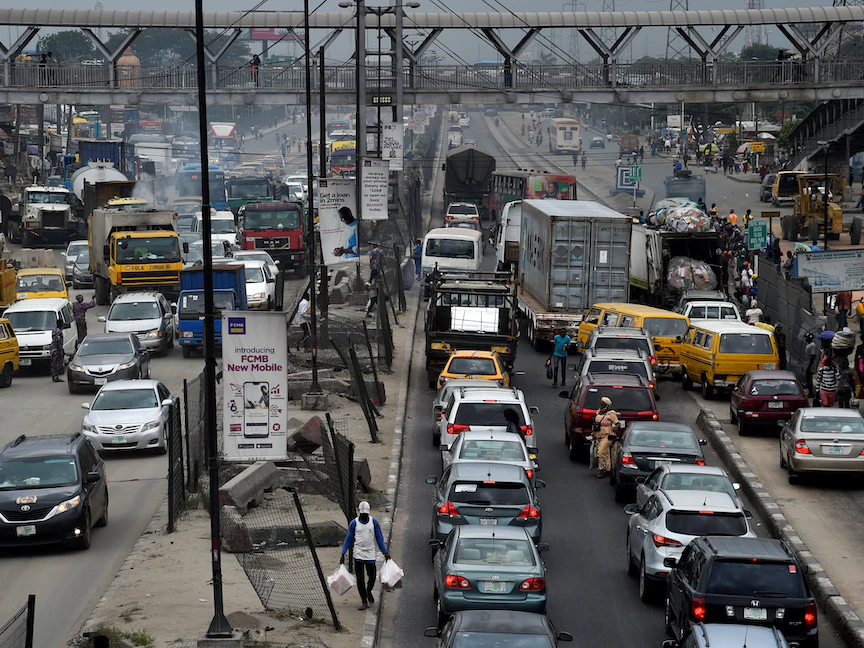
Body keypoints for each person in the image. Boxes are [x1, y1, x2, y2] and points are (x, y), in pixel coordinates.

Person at [340, 501, 390, 611]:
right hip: (358, 554)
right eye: (362, 514)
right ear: (359, 513)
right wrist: (343, 553)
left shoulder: (374, 523)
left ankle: (368, 591)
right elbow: (349, 538)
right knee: (360, 579)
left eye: (365, 514)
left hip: (370, 554)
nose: (363, 516)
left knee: (372, 576)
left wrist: (385, 552)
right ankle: (364, 600)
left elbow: (379, 538)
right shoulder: (354, 523)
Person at [593, 397, 620, 478]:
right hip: (598, 435)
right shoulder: (598, 412)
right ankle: (608, 469)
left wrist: (616, 428)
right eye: (600, 403)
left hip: (607, 436)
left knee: (600, 452)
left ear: (606, 405)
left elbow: (617, 423)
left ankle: (601, 470)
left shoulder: (611, 414)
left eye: (602, 404)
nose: (600, 405)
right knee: (606, 453)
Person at [804, 333, 818, 399]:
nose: (805, 339)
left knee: (809, 380)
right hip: (807, 364)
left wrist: (809, 366)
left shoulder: (812, 345)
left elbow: (813, 356)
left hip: (810, 365)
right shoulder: (809, 345)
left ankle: (811, 393)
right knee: (807, 379)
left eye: (806, 337)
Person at [50, 318, 64, 383]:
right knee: (57, 363)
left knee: (53, 363)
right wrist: (60, 351)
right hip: (56, 349)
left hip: (52, 349)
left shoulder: (54, 330)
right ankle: (56, 377)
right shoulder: (59, 331)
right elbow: (57, 341)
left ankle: (54, 375)